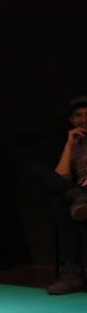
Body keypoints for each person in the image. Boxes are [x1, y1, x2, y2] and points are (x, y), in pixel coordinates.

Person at [45, 94, 87, 294]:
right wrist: (69, 144)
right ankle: (72, 274)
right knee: (58, 201)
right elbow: (61, 177)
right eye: (78, 115)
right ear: (72, 120)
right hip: (81, 193)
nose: (84, 120)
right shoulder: (75, 142)